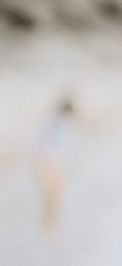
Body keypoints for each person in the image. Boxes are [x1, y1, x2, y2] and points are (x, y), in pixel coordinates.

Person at [34, 90, 77, 234]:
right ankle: (50, 225)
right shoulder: (60, 123)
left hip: (49, 163)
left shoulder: (51, 121)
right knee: (53, 196)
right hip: (53, 165)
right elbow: (53, 145)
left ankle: (49, 224)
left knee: (49, 196)